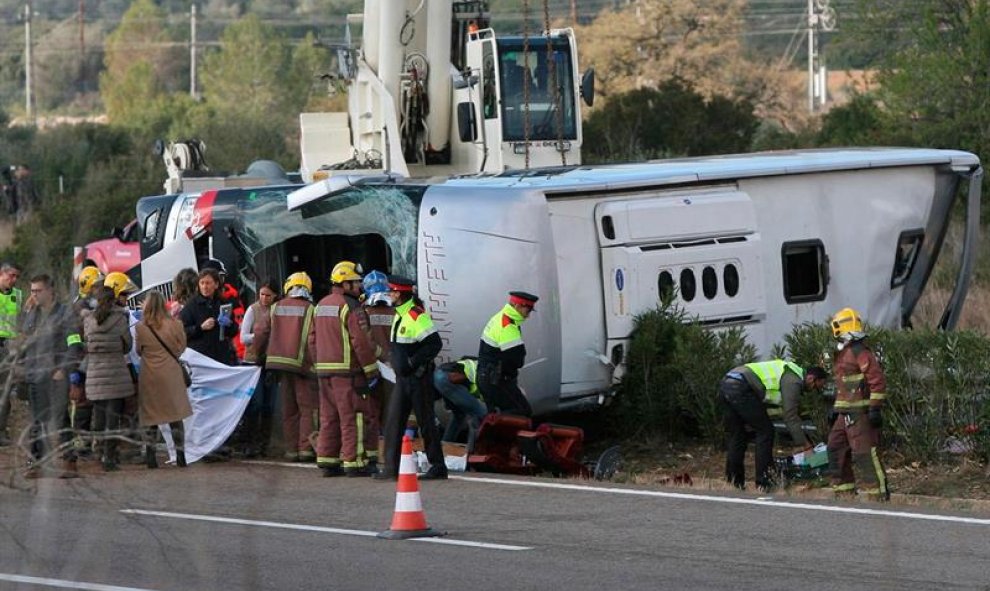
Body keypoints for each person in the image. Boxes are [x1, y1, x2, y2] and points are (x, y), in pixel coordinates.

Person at [310, 262, 380, 477]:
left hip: (324, 372)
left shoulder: (321, 305)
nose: (359, 287)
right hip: (348, 373)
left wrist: (318, 363)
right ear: (345, 283)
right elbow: (360, 342)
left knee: (329, 417)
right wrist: (371, 370)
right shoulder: (351, 307)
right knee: (354, 416)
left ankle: (328, 460)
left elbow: (311, 340)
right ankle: (354, 462)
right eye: (356, 283)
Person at [717, 360, 827, 492]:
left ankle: (734, 483)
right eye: (815, 387)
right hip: (742, 387)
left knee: (738, 435)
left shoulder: (788, 373)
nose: (813, 391)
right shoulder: (793, 380)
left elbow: (773, 409)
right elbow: (790, 416)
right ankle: (764, 482)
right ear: (810, 378)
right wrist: (806, 446)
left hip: (727, 384)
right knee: (765, 432)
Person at [376, 275, 446, 481]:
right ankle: (391, 468)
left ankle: (438, 466)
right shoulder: (399, 314)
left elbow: (434, 344)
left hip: (417, 379)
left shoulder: (416, 316)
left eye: (391, 291)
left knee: (426, 423)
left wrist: (412, 363)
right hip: (403, 380)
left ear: (399, 293)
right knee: (394, 421)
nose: (389, 294)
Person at [252, 272, 318, 463]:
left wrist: (259, 355)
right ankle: (305, 450)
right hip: (304, 366)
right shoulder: (312, 309)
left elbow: (260, 331)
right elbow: (315, 339)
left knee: (288, 409)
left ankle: (291, 450)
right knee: (307, 408)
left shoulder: (275, 308)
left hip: (280, 365)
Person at [18, 274, 78, 477]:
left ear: (50, 291)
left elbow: (75, 343)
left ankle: (70, 461)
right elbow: (25, 340)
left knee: (60, 421)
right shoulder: (33, 314)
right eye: (32, 291)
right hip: (35, 374)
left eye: (38, 291)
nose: (34, 295)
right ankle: (36, 462)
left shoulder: (64, 313)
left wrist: (64, 368)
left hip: (55, 376)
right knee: (37, 421)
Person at [828, 307, 890, 500]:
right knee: (834, 448)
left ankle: (877, 496)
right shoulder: (844, 353)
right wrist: (836, 409)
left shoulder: (860, 352)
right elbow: (843, 386)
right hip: (845, 413)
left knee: (864, 454)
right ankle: (844, 493)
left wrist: (874, 408)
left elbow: (876, 381)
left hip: (860, 413)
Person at [135, 291, 192, 469]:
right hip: (171, 373)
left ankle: (151, 457)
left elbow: (138, 351)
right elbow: (181, 347)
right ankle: (181, 455)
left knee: (151, 416)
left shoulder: (141, 327)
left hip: (150, 375)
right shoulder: (176, 324)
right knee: (175, 416)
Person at [83, 285, 135, 472]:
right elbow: (128, 345)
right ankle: (110, 457)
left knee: (99, 415)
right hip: (115, 371)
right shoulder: (120, 319)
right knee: (113, 417)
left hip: (95, 372)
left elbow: (85, 343)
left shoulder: (88, 319)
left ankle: (98, 452)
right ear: (113, 300)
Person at [477, 291, 539, 417]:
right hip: (496, 380)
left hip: (486, 376)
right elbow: (516, 360)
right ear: (518, 306)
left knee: (496, 414)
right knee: (522, 412)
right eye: (528, 310)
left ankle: (488, 431)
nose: (528, 316)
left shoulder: (499, 317)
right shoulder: (508, 326)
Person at [66, 266, 104, 459]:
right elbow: (73, 340)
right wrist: (74, 369)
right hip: (82, 362)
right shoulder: (80, 308)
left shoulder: (90, 305)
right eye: (97, 285)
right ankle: (81, 444)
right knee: (82, 404)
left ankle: (87, 443)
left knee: (91, 403)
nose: (100, 288)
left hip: (91, 360)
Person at [238, 279, 279, 457]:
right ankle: (250, 442)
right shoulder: (252, 310)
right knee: (256, 403)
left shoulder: (278, 310)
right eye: (262, 294)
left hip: (271, 362)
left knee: (269, 405)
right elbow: (243, 338)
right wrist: (260, 336)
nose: (264, 298)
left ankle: (264, 443)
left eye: (268, 295)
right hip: (253, 362)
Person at [360, 269, 393, 468]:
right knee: (392, 411)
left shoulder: (364, 311)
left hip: (373, 368)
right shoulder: (396, 310)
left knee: (373, 411)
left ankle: (375, 451)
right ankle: (390, 450)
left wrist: (382, 356)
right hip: (394, 368)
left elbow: (366, 341)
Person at [180, 267, 238, 365]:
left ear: (216, 284)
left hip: (220, 356)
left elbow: (233, 331)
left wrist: (229, 324)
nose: (204, 287)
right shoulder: (191, 305)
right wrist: (200, 328)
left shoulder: (223, 303)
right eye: (202, 283)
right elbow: (181, 331)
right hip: (200, 358)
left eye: (208, 283)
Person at [435, 356, 486, 453]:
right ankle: (472, 454)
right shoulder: (488, 374)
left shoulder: (478, 364)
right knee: (479, 414)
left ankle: (444, 449)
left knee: (459, 415)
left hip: (440, 376)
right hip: (448, 379)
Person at [0, 261, 24, 447]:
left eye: (16, 276)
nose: (14, 280)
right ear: (2, 274)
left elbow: (19, 321)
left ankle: (1, 430)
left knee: (5, 391)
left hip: (8, 348)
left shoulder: (18, 295)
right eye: (11, 276)